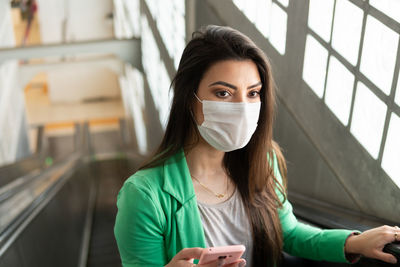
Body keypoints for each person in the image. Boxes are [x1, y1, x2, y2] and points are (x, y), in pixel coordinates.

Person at [114, 25, 399, 267]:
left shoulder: (263, 161)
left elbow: (288, 233)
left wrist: (356, 242)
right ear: (190, 98)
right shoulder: (143, 197)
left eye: (253, 93)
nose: (242, 107)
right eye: (223, 93)